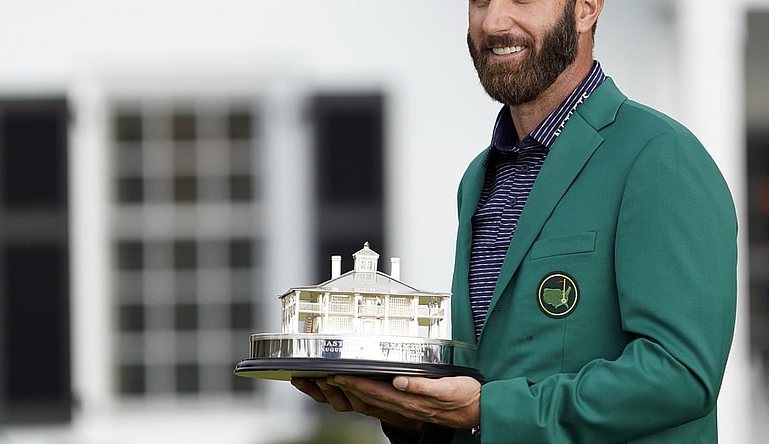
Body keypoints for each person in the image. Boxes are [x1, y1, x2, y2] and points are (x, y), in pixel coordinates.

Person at [292, 0, 738, 442]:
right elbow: (487, 376)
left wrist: (487, 410)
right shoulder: (479, 177)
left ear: (585, 9)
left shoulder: (661, 156)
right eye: (480, 1)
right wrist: (414, 415)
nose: (494, 21)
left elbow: (680, 375)